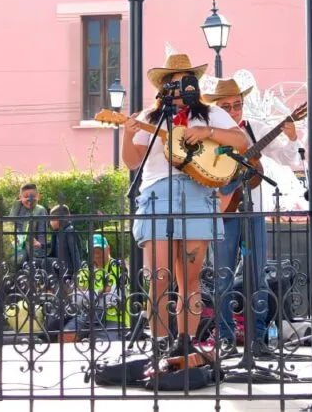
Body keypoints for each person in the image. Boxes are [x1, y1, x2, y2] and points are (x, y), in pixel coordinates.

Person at [122, 52, 249, 362]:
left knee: (189, 279)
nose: (180, 89)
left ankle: (186, 343)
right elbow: (132, 161)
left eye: (185, 82)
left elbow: (241, 140)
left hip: (197, 195)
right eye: (174, 84)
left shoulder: (211, 114)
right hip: (157, 196)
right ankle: (159, 346)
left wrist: (207, 133)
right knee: (158, 276)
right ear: (164, 88)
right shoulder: (150, 118)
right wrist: (127, 133)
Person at [205, 76, 300, 351]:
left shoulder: (255, 129)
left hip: (254, 210)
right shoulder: (209, 134)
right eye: (227, 106)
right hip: (221, 212)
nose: (234, 111)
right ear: (217, 108)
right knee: (221, 275)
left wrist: (291, 138)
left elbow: (286, 158)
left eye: (237, 105)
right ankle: (224, 336)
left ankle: (258, 337)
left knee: (257, 275)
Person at [10, 183, 49, 265]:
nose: (29, 199)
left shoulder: (40, 210)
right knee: (16, 261)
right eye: (26, 196)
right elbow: (12, 225)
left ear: (38, 196)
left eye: (33, 196)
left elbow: (42, 231)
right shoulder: (17, 207)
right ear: (20, 197)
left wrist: (40, 244)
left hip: (34, 249)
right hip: (19, 246)